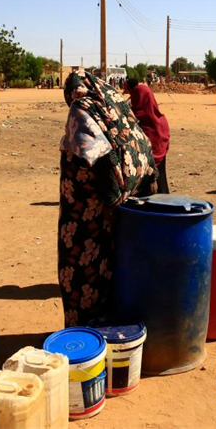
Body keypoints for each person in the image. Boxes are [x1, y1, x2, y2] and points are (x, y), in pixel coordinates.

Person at [58, 71, 158, 327]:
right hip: (112, 214)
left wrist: (108, 195)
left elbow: (96, 157)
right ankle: (107, 331)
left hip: (83, 214)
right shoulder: (111, 105)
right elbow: (141, 144)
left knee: (79, 274)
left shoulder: (81, 110)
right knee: (107, 270)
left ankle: (82, 334)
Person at [127, 79, 171, 194]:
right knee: (161, 183)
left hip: (145, 168)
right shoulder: (161, 120)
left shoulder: (136, 121)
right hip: (160, 161)